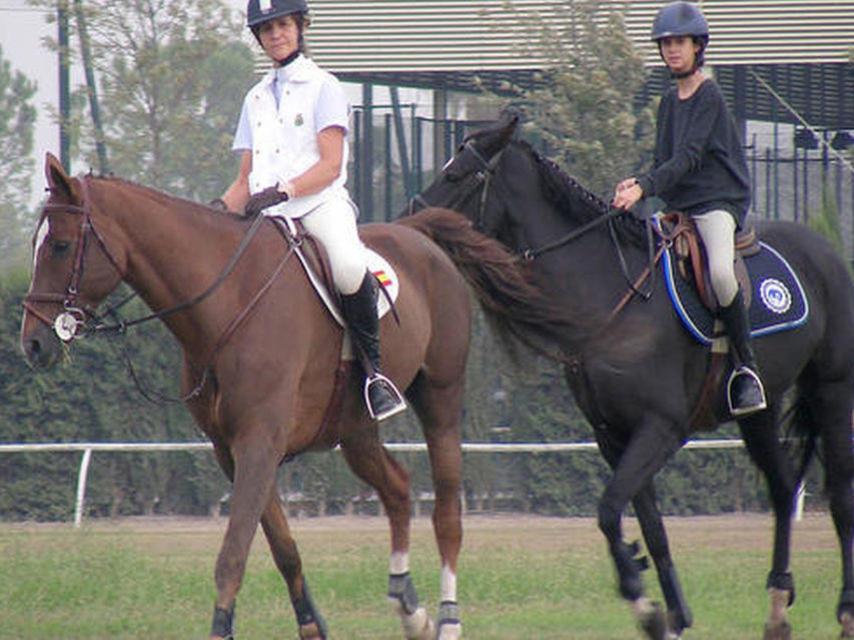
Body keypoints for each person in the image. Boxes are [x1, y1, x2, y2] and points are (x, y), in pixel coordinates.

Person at [214, 0, 406, 421]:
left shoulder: (325, 86)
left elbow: (330, 164)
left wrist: (285, 191)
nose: (276, 35)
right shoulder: (255, 98)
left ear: (300, 27)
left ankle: (374, 374)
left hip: (318, 204)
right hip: (267, 213)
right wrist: (217, 211)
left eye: (283, 25)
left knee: (348, 266)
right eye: (266, 30)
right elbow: (244, 179)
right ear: (259, 38)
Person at [611, 1, 766, 417]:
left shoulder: (709, 95)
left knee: (718, 271)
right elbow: (667, 162)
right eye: (665, 44)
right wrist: (638, 181)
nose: (671, 50)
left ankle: (745, 369)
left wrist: (645, 187)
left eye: (679, 42)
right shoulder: (668, 101)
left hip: (716, 203)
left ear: (698, 46)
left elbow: (691, 158)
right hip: (679, 207)